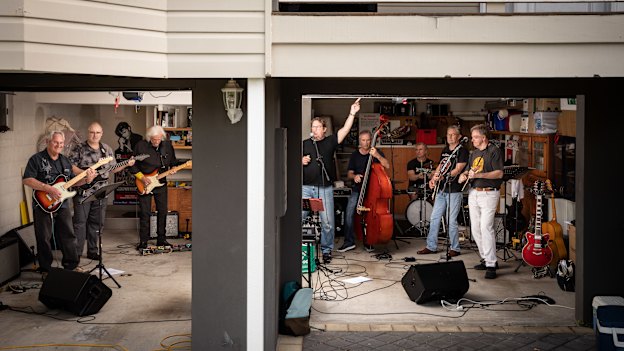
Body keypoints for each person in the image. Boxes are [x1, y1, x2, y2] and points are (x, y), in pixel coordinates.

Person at [22, 130, 96, 273]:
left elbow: (71, 183)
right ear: (48, 142)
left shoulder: (65, 160)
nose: (59, 145)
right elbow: (27, 179)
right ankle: (45, 268)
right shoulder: (36, 159)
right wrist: (47, 188)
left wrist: (87, 179)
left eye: (61, 143)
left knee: (68, 233)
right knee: (43, 237)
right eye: (56, 142)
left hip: (62, 203)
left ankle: (71, 265)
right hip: (42, 203)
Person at [302, 98, 360, 264]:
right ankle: (300, 249)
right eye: (313, 127)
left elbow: (344, 130)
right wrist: (300, 160)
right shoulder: (305, 144)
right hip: (306, 188)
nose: (315, 129)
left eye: (318, 127)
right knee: (299, 218)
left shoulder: (329, 142)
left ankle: (326, 251)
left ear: (324, 129)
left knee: (327, 222)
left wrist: (352, 113)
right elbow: (290, 159)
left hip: (324, 188)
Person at [69, 122, 135, 260]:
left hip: (101, 193)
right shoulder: (79, 148)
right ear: (88, 132)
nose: (95, 135)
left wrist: (126, 164)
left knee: (96, 223)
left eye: (97, 132)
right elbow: (71, 167)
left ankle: (93, 251)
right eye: (92, 132)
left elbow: (113, 168)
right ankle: (76, 253)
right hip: (83, 192)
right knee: (80, 223)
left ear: (102, 133)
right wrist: (85, 174)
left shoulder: (107, 149)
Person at [458, 124, 504, 279]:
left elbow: (499, 174)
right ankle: (486, 258)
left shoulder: (494, 151)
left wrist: (479, 176)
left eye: (475, 137)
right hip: (474, 193)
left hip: (489, 194)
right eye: (472, 137)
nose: (472, 140)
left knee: (486, 227)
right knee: (476, 229)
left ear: (483, 138)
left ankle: (491, 264)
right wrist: (465, 174)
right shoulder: (474, 153)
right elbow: (470, 169)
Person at [417, 125, 468, 258]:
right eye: (448, 134)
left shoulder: (462, 151)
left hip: (454, 190)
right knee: (434, 217)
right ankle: (431, 246)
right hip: (441, 189)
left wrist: (444, 176)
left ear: (459, 136)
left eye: (453, 134)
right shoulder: (445, 150)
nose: (450, 137)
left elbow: (458, 169)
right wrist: (434, 178)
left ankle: (455, 248)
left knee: (451, 220)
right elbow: (441, 165)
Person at [338, 130, 390, 253]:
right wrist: (354, 176)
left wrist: (377, 155)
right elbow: (349, 173)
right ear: (359, 141)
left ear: (371, 140)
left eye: (368, 140)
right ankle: (349, 242)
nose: (366, 143)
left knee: (370, 217)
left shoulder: (376, 152)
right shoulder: (355, 155)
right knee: (349, 212)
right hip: (358, 190)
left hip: (373, 192)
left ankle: (369, 241)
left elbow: (387, 165)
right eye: (363, 140)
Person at [128, 125, 178, 250]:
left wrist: (173, 169)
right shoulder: (141, 146)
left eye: (159, 139)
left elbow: (173, 162)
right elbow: (132, 166)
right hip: (144, 183)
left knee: (162, 211)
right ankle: (143, 241)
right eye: (154, 139)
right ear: (149, 137)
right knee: (145, 213)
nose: (156, 142)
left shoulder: (167, 146)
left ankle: (161, 239)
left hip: (161, 182)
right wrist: (142, 178)